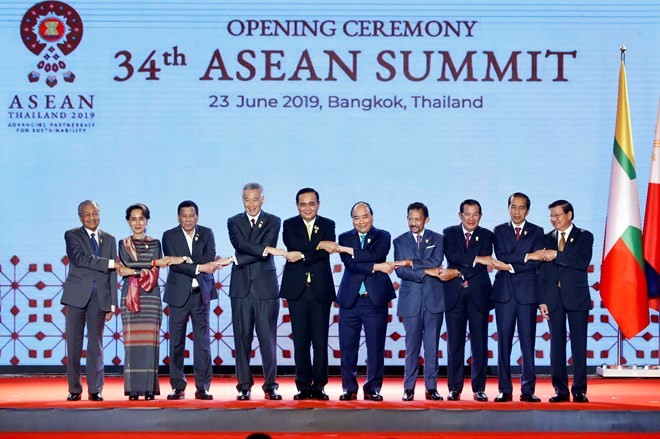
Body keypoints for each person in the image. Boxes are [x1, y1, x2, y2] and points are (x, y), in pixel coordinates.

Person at [162, 200, 230, 400]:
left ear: (197, 216)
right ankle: (177, 386)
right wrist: (198, 266)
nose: (188, 219)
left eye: (191, 215)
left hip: (201, 294)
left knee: (202, 343)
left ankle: (203, 387)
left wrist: (186, 259)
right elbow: (174, 264)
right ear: (178, 217)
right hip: (178, 296)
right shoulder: (169, 235)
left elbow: (209, 256)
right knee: (176, 342)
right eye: (184, 215)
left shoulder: (207, 233)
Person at [529, 200, 593, 403]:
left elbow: (581, 262)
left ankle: (580, 390)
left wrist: (556, 254)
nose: (553, 219)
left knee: (579, 345)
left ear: (569, 215)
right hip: (552, 300)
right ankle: (561, 390)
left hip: (577, 298)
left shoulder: (584, 236)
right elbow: (541, 273)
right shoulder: (545, 238)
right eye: (551, 215)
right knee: (556, 346)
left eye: (557, 215)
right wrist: (541, 300)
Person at [227, 183, 284, 401]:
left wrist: (235, 259)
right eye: (247, 200)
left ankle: (270, 385)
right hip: (241, 288)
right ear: (243, 200)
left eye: (255, 199)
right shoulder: (234, 221)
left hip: (265, 288)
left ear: (262, 199)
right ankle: (243, 385)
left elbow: (265, 247)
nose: (251, 204)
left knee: (267, 339)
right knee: (242, 340)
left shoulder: (273, 220)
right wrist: (263, 249)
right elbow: (241, 244)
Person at [280, 188, 337, 401]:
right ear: (297, 206)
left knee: (320, 341)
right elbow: (292, 246)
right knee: (301, 341)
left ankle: (319, 386)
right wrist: (318, 245)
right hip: (297, 291)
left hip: (320, 290)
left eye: (311, 204)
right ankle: (303, 386)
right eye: (303, 204)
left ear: (318, 204)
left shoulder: (328, 224)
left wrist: (305, 253)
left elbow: (326, 251)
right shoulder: (289, 224)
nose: (307, 208)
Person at [336, 202, 396, 401]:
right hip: (350, 300)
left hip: (374, 300)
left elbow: (377, 255)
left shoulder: (383, 236)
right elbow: (351, 265)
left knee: (376, 347)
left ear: (372, 216)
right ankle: (349, 388)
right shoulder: (344, 238)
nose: (361, 221)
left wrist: (352, 252)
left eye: (365, 216)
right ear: (352, 219)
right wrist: (377, 267)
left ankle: (373, 388)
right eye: (356, 217)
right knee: (347, 347)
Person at [116, 203, 174, 400]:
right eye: (133, 219)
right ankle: (133, 389)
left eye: (141, 218)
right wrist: (153, 263)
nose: (138, 223)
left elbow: (152, 272)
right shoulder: (123, 244)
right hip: (130, 296)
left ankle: (149, 389)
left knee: (150, 344)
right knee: (131, 343)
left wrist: (134, 271)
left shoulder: (156, 243)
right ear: (128, 222)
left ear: (147, 221)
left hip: (151, 296)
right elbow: (128, 263)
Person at [61, 200, 117, 402]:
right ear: (80, 217)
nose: (92, 217)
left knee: (96, 344)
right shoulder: (72, 235)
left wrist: (112, 303)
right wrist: (111, 263)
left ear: (100, 213)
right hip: (76, 297)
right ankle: (74, 388)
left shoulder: (110, 239)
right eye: (87, 214)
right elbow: (80, 258)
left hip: (99, 298)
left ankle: (95, 389)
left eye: (95, 213)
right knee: (74, 344)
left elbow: (112, 275)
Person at [491, 192, 544, 403]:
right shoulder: (499, 230)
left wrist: (515, 263)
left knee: (527, 343)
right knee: (503, 342)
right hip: (504, 294)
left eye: (521, 208)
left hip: (527, 295)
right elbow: (501, 256)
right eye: (513, 207)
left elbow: (536, 262)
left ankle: (528, 390)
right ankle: (504, 389)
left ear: (528, 210)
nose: (517, 211)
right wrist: (526, 255)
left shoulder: (537, 232)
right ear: (508, 208)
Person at [440, 199, 494, 402]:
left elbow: (485, 259)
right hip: (453, 295)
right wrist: (475, 259)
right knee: (454, 344)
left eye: (475, 214)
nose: (471, 218)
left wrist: (459, 269)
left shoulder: (488, 235)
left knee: (479, 344)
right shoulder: (448, 233)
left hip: (479, 295)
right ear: (460, 215)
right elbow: (453, 255)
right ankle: (454, 388)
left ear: (480, 215)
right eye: (467, 214)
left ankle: (479, 388)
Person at [393, 202, 445, 401]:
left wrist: (410, 263)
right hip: (410, 300)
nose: (413, 223)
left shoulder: (438, 239)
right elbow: (400, 271)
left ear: (426, 219)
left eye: (417, 219)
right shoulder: (399, 242)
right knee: (412, 346)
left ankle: (431, 388)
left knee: (432, 346)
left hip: (434, 300)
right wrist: (424, 271)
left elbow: (436, 261)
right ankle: (409, 388)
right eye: (410, 219)